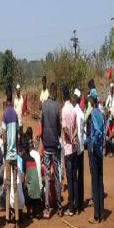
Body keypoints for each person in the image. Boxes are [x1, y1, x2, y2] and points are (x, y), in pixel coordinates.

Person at [41, 82, 63, 218]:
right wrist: (57, 136)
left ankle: (47, 208)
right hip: (54, 145)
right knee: (57, 175)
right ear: (54, 92)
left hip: (47, 144)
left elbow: (42, 124)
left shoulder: (44, 106)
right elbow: (58, 126)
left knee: (47, 176)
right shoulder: (56, 107)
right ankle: (60, 208)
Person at [1, 86, 21, 228]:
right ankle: (18, 223)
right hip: (15, 154)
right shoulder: (15, 115)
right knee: (15, 185)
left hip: (8, 156)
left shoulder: (5, 115)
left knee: (8, 188)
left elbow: (4, 136)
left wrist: (5, 152)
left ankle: (8, 220)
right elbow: (18, 136)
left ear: (5, 100)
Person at [87, 89, 105, 224]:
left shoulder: (93, 113)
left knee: (95, 181)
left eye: (90, 99)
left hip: (95, 150)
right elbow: (103, 130)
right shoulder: (101, 113)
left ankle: (96, 215)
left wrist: (93, 143)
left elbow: (98, 131)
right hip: (100, 151)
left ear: (92, 100)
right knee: (100, 180)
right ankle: (101, 214)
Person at [61, 86, 77, 216]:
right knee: (74, 177)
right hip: (74, 148)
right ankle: (75, 205)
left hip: (67, 148)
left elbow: (65, 129)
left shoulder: (64, 110)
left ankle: (71, 207)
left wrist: (70, 138)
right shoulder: (73, 109)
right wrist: (74, 137)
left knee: (70, 178)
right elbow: (76, 127)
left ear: (62, 96)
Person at [21, 137, 41, 219]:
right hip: (38, 191)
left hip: (31, 192)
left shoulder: (23, 158)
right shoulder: (32, 159)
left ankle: (29, 210)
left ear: (23, 149)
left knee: (22, 188)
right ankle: (36, 209)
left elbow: (23, 176)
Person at [73, 89, 85, 212]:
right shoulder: (81, 112)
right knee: (80, 175)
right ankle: (80, 202)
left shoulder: (75, 112)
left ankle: (76, 203)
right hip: (81, 148)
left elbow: (76, 131)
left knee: (75, 176)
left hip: (76, 148)